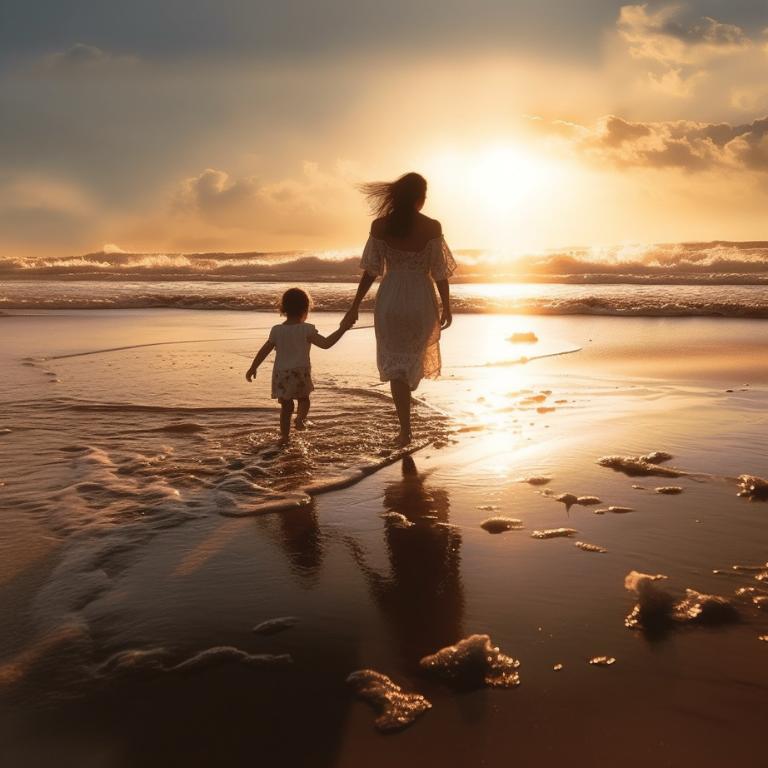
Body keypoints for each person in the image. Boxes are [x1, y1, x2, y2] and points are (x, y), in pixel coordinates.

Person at [344, 172, 456, 446]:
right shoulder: (432, 226)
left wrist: (355, 305)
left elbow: (371, 271)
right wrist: (447, 306)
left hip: (391, 300)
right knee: (410, 363)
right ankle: (406, 411)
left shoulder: (380, 226)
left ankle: (405, 429)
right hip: (420, 300)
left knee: (396, 368)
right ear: (419, 197)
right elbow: (440, 273)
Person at [246, 287, 353, 441]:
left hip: (282, 374)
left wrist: (253, 367)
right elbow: (326, 343)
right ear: (305, 309)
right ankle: (300, 419)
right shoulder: (306, 330)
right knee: (304, 400)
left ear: (283, 308)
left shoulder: (277, 330)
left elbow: (264, 350)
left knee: (286, 407)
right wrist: (342, 329)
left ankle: (284, 436)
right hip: (300, 373)